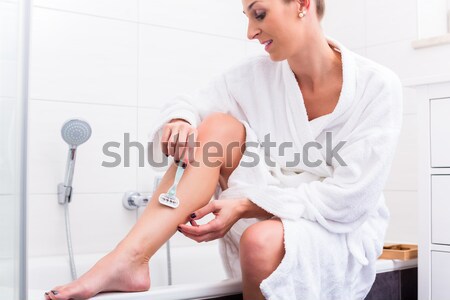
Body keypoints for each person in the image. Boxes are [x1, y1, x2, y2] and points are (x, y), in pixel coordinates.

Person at [45, 0, 402, 299]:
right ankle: (131, 257)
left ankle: (131, 259)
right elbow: (188, 102)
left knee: (260, 241)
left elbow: (350, 199)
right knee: (215, 125)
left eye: (258, 14)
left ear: (302, 4)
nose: (250, 32)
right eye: (246, 18)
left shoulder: (376, 86)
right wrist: (181, 121)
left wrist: (248, 204)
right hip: (267, 200)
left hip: (335, 225)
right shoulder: (255, 75)